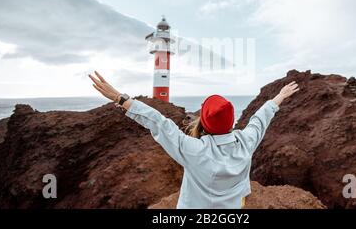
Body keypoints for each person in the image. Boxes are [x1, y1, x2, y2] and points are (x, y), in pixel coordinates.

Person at [89, 71, 299, 209]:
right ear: (231, 121)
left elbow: (159, 123)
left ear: (204, 121)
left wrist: (121, 98)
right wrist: (279, 97)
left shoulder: (193, 149)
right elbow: (260, 119)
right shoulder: (246, 141)